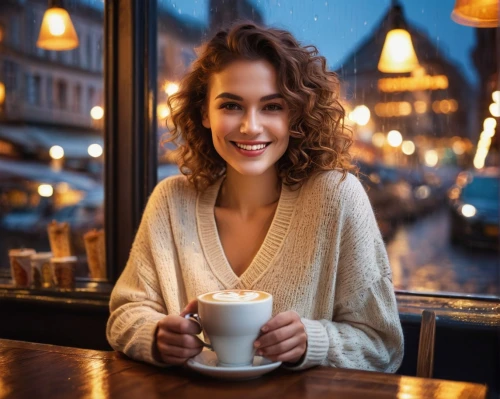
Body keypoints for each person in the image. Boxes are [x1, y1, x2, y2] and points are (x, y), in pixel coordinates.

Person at [106, 22, 404, 372]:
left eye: (272, 107)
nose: (250, 126)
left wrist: (313, 340)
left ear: (296, 113)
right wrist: (154, 335)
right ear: (204, 113)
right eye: (231, 106)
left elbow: (384, 347)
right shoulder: (171, 201)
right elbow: (125, 313)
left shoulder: (336, 198)